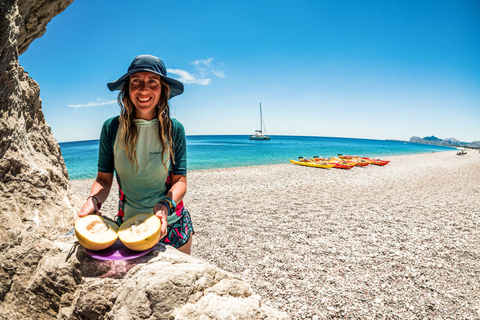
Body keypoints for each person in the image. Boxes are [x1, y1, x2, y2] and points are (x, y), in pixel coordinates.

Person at [74, 54, 193, 254]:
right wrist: (93, 201)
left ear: (163, 89)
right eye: (136, 81)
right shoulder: (111, 128)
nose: (143, 88)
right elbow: (103, 180)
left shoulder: (174, 129)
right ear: (127, 88)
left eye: (152, 81)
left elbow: (180, 180)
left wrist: (165, 205)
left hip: (172, 224)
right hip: (128, 226)